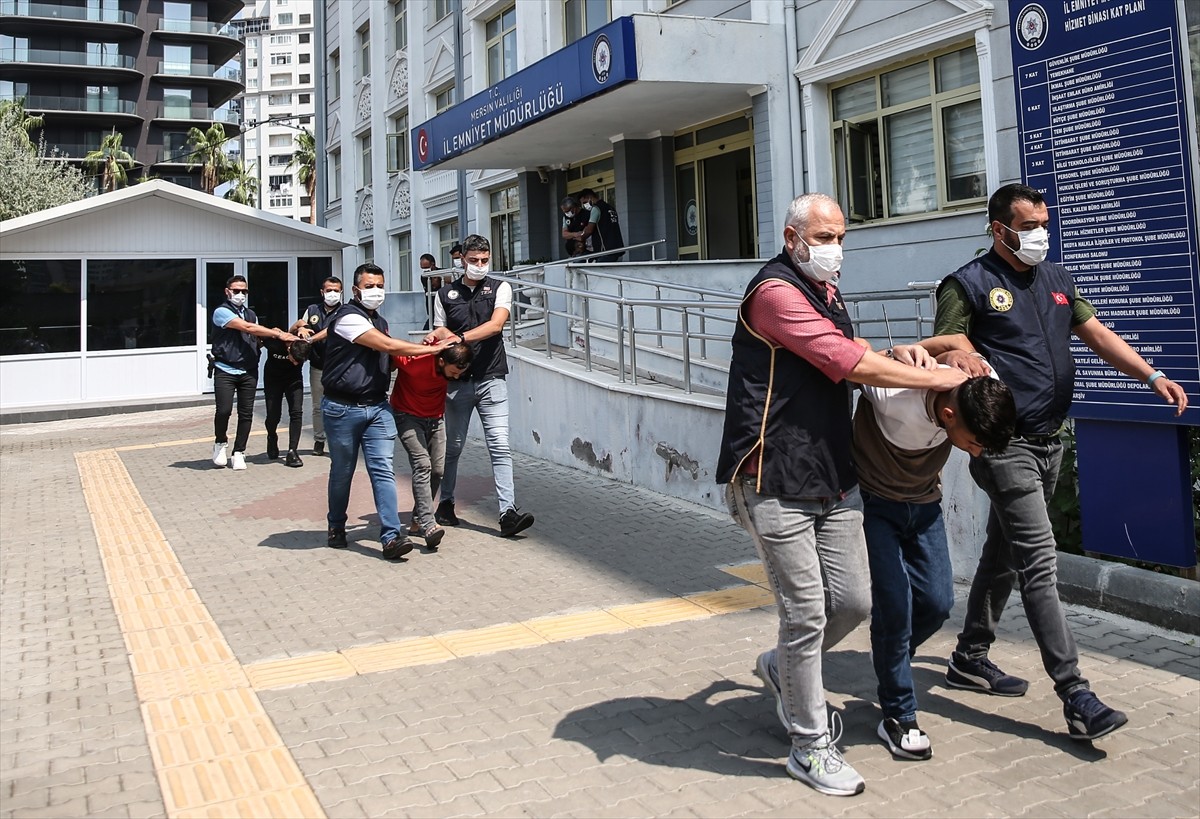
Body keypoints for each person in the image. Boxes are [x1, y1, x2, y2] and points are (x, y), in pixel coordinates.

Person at [716, 193, 966, 797]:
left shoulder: (825, 291)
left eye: (840, 237)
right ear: (791, 237)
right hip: (770, 475)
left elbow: (861, 359)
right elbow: (845, 362)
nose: (834, 249)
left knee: (852, 603)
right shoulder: (775, 294)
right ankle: (809, 745)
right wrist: (934, 375)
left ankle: (782, 669)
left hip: (829, 473)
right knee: (804, 613)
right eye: (822, 238)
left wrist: (911, 351)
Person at [933, 182, 1188, 740]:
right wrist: (967, 353)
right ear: (999, 229)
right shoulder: (968, 283)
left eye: (1043, 224)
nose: (1039, 235)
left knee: (1004, 553)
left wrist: (1150, 375)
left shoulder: (1055, 279)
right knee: (1039, 564)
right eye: (1027, 226)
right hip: (1005, 445)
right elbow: (945, 342)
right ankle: (1075, 693)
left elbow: (1094, 333)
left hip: (1051, 440)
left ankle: (969, 655)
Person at [852, 363, 1016, 760]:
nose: (976, 452)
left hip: (924, 505)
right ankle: (899, 715)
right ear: (948, 416)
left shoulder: (979, 382)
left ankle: (891, 652)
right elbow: (854, 362)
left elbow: (956, 341)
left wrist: (952, 348)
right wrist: (904, 353)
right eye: (974, 443)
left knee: (937, 603)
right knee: (896, 607)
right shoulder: (896, 396)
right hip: (876, 506)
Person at [322, 263, 453, 560]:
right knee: (342, 471)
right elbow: (387, 346)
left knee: (382, 470)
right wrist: (431, 350)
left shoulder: (379, 320)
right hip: (342, 408)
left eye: (379, 285)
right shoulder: (347, 318)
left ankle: (391, 536)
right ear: (355, 290)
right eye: (369, 286)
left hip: (377, 407)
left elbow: (391, 357)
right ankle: (336, 525)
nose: (375, 291)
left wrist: (422, 349)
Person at [427, 234, 536, 538]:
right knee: (454, 447)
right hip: (457, 383)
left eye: (484, 260)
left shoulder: (500, 288)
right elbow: (438, 329)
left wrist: (459, 337)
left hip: (492, 378)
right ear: (461, 257)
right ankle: (445, 504)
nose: (479, 265)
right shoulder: (445, 293)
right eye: (473, 260)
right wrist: (443, 335)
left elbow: (496, 324)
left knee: (500, 445)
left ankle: (507, 512)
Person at [391, 341, 474, 550]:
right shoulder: (416, 361)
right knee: (422, 465)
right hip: (406, 417)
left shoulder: (448, 356)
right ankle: (429, 525)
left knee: (438, 470)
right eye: (453, 372)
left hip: (436, 419)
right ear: (441, 360)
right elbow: (391, 350)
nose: (455, 377)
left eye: (459, 374)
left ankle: (418, 519)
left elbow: (446, 333)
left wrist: (439, 333)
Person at [211, 275, 297, 470]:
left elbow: (256, 334)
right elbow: (246, 328)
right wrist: (278, 333)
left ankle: (239, 452)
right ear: (227, 291)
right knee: (224, 410)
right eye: (236, 290)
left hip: (248, 370)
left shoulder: (251, 314)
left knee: (246, 413)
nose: (240, 294)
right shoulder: (221, 312)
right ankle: (220, 442)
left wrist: (277, 341)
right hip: (225, 368)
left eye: (244, 291)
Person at [290, 276, 343, 456]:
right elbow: (300, 325)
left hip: (340, 367)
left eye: (336, 290)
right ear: (322, 292)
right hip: (318, 366)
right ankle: (319, 440)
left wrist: (312, 338)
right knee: (318, 406)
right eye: (329, 290)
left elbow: (332, 330)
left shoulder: (346, 311)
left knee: (341, 404)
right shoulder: (312, 310)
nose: (333, 294)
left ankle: (339, 441)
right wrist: (301, 328)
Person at [262, 336, 311, 468]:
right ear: (289, 349)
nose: (296, 363)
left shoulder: (304, 346)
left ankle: (292, 451)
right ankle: (272, 436)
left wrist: (303, 327)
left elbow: (301, 323)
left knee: (296, 412)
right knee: (273, 415)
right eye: (294, 360)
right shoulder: (274, 344)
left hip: (294, 379)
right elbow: (259, 335)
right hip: (273, 378)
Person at [575, 188, 624, 260]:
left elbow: (589, 230)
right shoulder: (610, 207)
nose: (584, 205)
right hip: (617, 248)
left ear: (589, 197)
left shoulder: (596, 208)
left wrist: (581, 237)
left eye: (584, 202)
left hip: (605, 250)